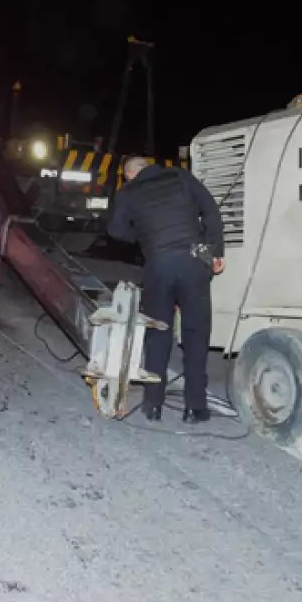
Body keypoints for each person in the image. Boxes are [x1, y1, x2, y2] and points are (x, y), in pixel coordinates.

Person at [107, 155, 225, 422]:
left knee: (158, 333)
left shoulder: (128, 192)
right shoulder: (180, 176)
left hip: (159, 263)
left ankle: (153, 404)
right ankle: (195, 407)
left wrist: (143, 236)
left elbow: (115, 230)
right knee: (196, 334)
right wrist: (216, 251)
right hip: (194, 260)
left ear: (129, 175)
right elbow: (210, 210)